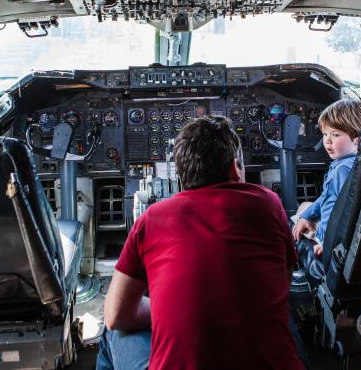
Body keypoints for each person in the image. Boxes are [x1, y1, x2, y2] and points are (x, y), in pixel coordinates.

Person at [98, 115, 306, 370]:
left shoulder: (151, 219)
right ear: (234, 168)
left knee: (111, 331)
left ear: (182, 177)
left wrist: (174, 315)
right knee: (285, 314)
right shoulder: (270, 204)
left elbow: (116, 315)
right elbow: (281, 286)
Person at [291, 98, 361, 257]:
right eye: (325, 134)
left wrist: (327, 242)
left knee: (299, 214)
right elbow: (328, 196)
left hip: (332, 236)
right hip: (335, 227)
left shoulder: (343, 170)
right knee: (304, 209)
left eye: (335, 135)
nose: (327, 140)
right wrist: (307, 215)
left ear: (357, 140)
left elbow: (344, 213)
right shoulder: (355, 161)